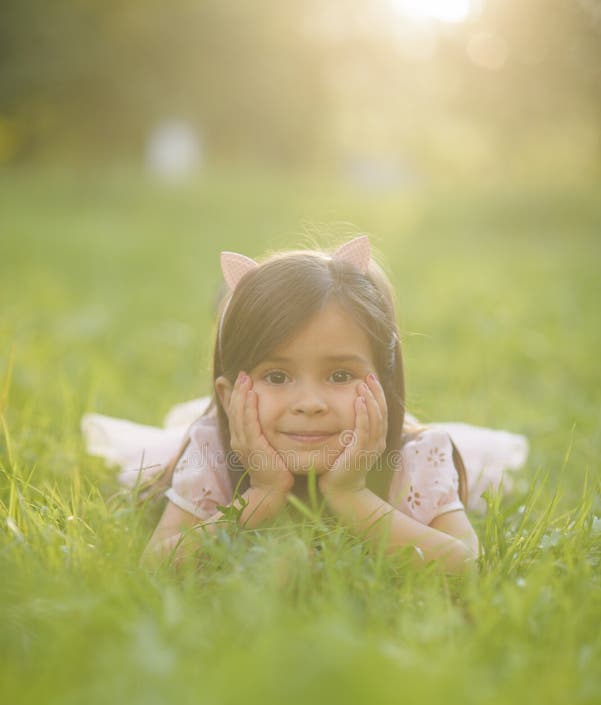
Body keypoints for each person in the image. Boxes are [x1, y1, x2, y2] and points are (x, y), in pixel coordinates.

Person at [81, 236, 529, 574]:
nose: (310, 404)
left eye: (339, 375)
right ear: (229, 396)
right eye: (277, 377)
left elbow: (466, 566)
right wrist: (259, 499)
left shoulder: (415, 458)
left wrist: (352, 497)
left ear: (385, 384)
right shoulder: (213, 450)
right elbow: (154, 567)